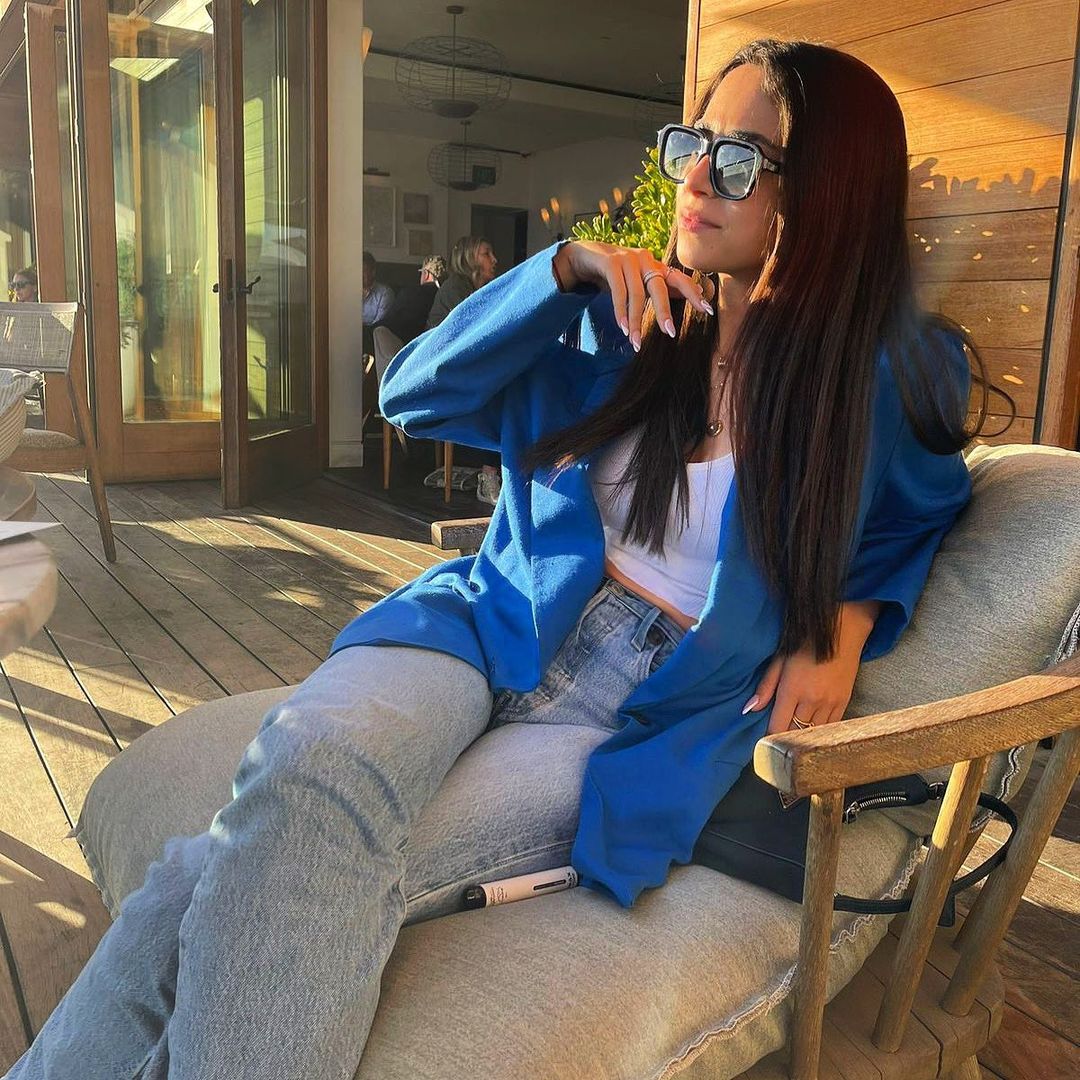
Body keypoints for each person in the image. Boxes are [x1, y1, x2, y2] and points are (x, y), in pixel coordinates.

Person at [7, 39, 988, 1080]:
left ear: (830, 188)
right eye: (693, 144)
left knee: (209, 879)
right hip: (485, 621)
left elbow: (919, 513)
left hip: (634, 707)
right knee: (311, 779)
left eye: (742, 159)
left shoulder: (883, 374)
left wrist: (844, 628)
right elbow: (412, 394)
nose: (697, 177)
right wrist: (562, 271)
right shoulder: (630, 321)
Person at [425, 235, 497, 328]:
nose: (494, 260)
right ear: (469, 259)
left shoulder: (483, 289)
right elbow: (472, 325)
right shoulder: (454, 287)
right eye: (486, 254)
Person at [374, 254, 446, 345]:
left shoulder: (412, 293)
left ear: (426, 274)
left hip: (401, 342)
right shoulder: (445, 297)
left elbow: (390, 320)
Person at [361, 250, 393, 356]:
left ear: (373, 272)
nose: (359, 274)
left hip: (372, 341)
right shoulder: (349, 292)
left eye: (363, 270)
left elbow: (378, 325)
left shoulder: (385, 293)